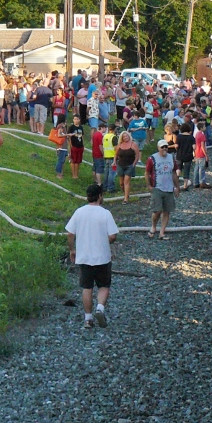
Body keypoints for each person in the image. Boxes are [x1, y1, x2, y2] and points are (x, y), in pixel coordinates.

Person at [65, 183, 119, 329]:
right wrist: (103, 241)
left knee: (87, 287)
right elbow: (113, 236)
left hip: (84, 257)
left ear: (87, 196)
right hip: (102, 256)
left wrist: (72, 249)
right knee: (103, 285)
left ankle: (88, 319)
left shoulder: (79, 212)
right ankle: (100, 308)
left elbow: (70, 233)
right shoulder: (105, 213)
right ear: (100, 196)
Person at [146, 139, 179, 239]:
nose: (164, 148)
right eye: (162, 147)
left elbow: (174, 172)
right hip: (157, 187)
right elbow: (147, 172)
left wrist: (176, 186)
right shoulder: (152, 159)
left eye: (166, 147)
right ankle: (153, 226)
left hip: (169, 188)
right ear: (158, 148)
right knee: (157, 210)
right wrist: (148, 185)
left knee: (167, 211)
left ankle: (162, 232)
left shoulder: (171, 158)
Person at [115, 131, 140, 204]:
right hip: (120, 165)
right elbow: (116, 154)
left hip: (129, 165)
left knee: (126, 181)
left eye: (126, 136)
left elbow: (137, 155)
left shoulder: (133, 144)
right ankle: (126, 193)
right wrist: (114, 162)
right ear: (121, 138)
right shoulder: (119, 145)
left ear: (129, 136)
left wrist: (134, 164)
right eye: (124, 136)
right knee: (121, 183)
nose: (125, 137)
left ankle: (125, 199)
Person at [66, 115, 85, 180]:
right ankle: (73, 174)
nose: (75, 120)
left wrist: (83, 145)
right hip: (74, 146)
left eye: (77, 119)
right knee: (73, 160)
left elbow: (82, 136)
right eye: (74, 119)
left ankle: (76, 174)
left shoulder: (81, 127)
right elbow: (69, 137)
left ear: (79, 120)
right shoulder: (71, 127)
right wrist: (70, 145)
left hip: (80, 146)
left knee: (78, 161)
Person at [91, 122, 108, 190]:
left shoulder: (95, 134)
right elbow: (100, 146)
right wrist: (103, 153)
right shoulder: (100, 135)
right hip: (99, 154)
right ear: (102, 128)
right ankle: (99, 183)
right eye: (105, 128)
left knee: (94, 168)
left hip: (94, 153)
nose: (105, 130)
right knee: (99, 169)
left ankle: (95, 180)